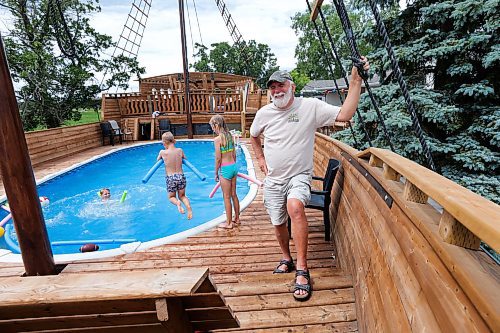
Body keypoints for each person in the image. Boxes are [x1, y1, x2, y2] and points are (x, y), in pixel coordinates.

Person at [250, 57, 370, 302]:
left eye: (281, 85)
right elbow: (253, 136)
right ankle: (287, 258)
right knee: (278, 222)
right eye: (272, 87)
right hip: (274, 179)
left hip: (299, 176)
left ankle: (303, 269)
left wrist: (355, 81)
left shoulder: (310, 107)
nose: (276, 91)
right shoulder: (264, 113)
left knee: (295, 207)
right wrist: (260, 158)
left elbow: (345, 114)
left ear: (291, 86)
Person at [209, 115, 240, 229]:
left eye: (212, 126)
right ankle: (237, 218)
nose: (212, 129)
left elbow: (218, 159)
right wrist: (233, 167)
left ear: (216, 125)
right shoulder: (230, 136)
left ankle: (228, 223)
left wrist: (216, 173)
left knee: (226, 197)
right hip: (233, 166)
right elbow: (234, 154)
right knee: (234, 194)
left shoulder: (217, 140)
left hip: (225, 169)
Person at [157, 131, 193, 219]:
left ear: (165, 143)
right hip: (181, 176)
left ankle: (177, 203)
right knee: (182, 196)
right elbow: (185, 158)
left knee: (171, 197)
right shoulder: (180, 150)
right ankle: (188, 207)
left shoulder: (163, 152)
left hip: (171, 178)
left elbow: (157, 160)